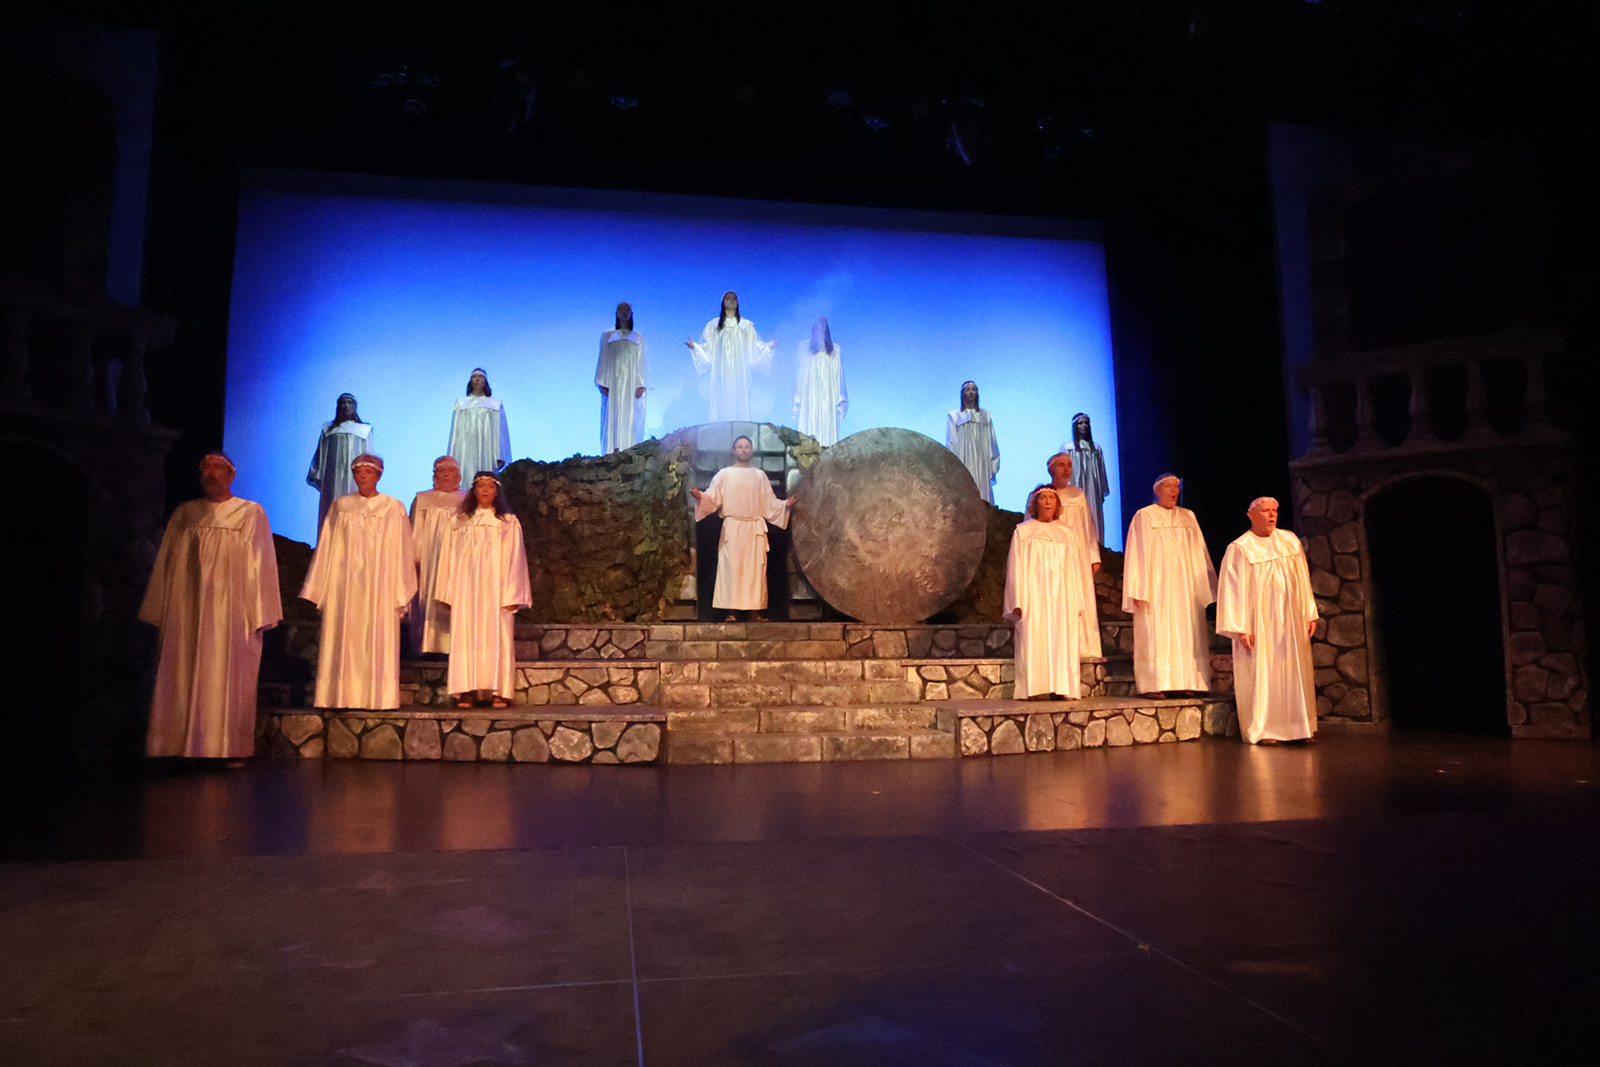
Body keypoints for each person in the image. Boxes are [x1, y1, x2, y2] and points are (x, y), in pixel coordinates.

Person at [140, 451, 282, 763]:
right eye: (205, 468)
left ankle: (225, 747)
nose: (210, 474)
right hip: (187, 611)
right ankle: (174, 744)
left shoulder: (249, 513)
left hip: (229, 613)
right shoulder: (186, 514)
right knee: (181, 670)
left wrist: (260, 613)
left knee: (225, 675)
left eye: (217, 468)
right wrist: (160, 607)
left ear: (231, 475)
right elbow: (166, 563)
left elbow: (261, 565)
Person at [300, 454, 417, 710]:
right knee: (345, 636)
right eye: (358, 472)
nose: (362, 476)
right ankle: (340, 695)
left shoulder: (392, 507)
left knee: (376, 636)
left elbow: (403, 551)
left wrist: (400, 588)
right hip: (346, 585)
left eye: (368, 472)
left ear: (378, 475)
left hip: (380, 585)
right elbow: (327, 548)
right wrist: (320, 586)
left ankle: (377, 697)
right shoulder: (341, 506)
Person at [1215, 496, 1319, 745]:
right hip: (1259, 623)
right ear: (1251, 515)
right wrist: (1240, 628)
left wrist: (1309, 611)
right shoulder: (1240, 548)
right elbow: (1231, 591)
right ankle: (1265, 728)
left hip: (1291, 621)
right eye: (1265, 511)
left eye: (1275, 510)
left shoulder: (1290, 541)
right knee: (1263, 672)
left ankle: (1298, 726)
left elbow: (1303, 579)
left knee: (1293, 670)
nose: (1272, 515)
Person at [435, 472, 532, 708]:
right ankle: (464, 690)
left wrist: (513, 593)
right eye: (481, 486)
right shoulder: (460, 521)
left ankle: (500, 691)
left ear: (497, 491)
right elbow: (448, 556)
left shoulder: (508, 522)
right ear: (474, 491)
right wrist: (447, 591)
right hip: (466, 589)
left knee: (498, 637)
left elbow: (516, 559)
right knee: (465, 637)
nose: (485, 491)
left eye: (490, 487)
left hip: (496, 590)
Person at [1123, 474, 1217, 695]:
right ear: (1158, 490)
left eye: (1177, 487)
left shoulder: (1188, 517)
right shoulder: (1145, 517)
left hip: (1184, 586)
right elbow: (1136, 554)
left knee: (1186, 630)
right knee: (1157, 631)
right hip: (1156, 586)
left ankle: (1186, 681)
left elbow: (1199, 552)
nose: (1174, 491)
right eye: (1169, 487)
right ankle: (1155, 684)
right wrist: (1137, 587)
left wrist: (1200, 586)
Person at [690, 435, 796, 620]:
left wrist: (785, 504)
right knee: (731, 569)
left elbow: (769, 503)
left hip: (754, 528)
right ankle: (731, 612)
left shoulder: (759, 476)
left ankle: (754, 612)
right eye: (740, 447)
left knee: (754, 571)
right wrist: (700, 496)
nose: (743, 450)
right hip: (732, 529)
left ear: (752, 450)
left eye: (747, 446)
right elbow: (712, 497)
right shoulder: (724, 474)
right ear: (734, 450)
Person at [1003, 486, 1084, 699]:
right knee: (1034, 638)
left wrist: (1078, 601)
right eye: (1043, 498)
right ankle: (1035, 688)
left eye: (1051, 498)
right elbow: (1015, 567)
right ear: (1035, 503)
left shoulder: (1067, 533)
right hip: (1034, 596)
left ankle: (1063, 687)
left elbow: (1075, 569)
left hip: (1062, 597)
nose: (1048, 502)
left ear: (1057, 504)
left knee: (1062, 639)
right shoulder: (1024, 531)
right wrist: (1016, 601)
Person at [685, 291, 776, 421]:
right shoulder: (714, 325)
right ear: (723, 302)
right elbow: (708, 348)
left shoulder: (745, 325)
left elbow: (754, 347)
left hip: (740, 372)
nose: (731, 300)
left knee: (740, 396)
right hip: (721, 371)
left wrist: (768, 347)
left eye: (734, 298)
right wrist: (696, 347)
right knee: (722, 395)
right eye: (728, 298)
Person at [1046, 451, 1103, 658]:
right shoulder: (1044, 495)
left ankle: (1084, 646)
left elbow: (1088, 526)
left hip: (1077, 555)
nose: (1066, 469)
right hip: (1054, 555)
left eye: (1069, 465)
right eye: (1061, 465)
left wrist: (1092, 555)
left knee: (1082, 597)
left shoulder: (1078, 495)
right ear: (1051, 469)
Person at [407, 456, 465, 657]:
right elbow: (412, 530)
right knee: (428, 594)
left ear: (458, 475)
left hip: (455, 557)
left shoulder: (465, 499)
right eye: (442, 471)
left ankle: (451, 646)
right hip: (428, 556)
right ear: (435, 475)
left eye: (450, 470)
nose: (446, 474)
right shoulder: (422, 499)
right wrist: (413, 559)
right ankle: (426, 645)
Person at [307, 392, 373, 536]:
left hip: (355, 479)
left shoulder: (364, 430)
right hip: (333, 477)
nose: (346, 406)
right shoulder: (328, 430)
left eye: (349, 403)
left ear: (355, 407)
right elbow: (321, 454)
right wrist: (319, 474)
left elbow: (368, 455)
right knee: (333, 508)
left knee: (355, 507)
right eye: (343, 403)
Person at [596, 302, 649, 454]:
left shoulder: (638, 337)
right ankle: (611, 453)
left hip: (631, 384)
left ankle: (630, 451)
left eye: (627, 309)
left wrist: (641, 383)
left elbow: (642, 361)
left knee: (630, 418)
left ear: (632, 314)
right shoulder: (608, 336)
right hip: (614, 384)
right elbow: (603, 358)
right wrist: (602, 382)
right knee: (613, 416)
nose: (624, 311)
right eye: (621, 309)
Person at [448, 368, 512, 480]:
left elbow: (501, 432)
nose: (477, 379)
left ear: (485, 381)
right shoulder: (462, 403)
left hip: (487, 446)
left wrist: (500, 454)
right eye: (474, 377)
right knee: (466, 474)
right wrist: (451, 457)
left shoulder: (495, 404)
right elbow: (455, 431)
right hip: (466, 445)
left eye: (480, 377)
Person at [793, 315, 847, 446]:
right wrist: (797, 400)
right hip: (810, 398)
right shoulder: (805, 349)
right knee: (810, 424)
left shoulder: (834, 351)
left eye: (824, 328)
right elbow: (800, 376)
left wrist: (840, 400)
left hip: (827, 399)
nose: (821, 330)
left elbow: (838, 376)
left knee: (826, 427)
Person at [947, 380, 1000, 503]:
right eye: (968, 390)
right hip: (963, 459)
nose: (971, 392)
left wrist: (992, 467)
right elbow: (951, 441)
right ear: (963, 393)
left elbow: (992, 441)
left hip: (982, 461)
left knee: (982, 493)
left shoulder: (985, 416)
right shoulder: (954, 416)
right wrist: (954, 465)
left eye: (973, 389)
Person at [1066, 412, 1110, 545]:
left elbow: (1101, 472)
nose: (1084, 426)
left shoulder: (1096, 448)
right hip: (1075, 488)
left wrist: (1101, 490)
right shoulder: (1068, 448)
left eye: (1086, 423)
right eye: (1081, 423)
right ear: (1075, 426)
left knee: (1094, 518)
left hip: (1093, 490)